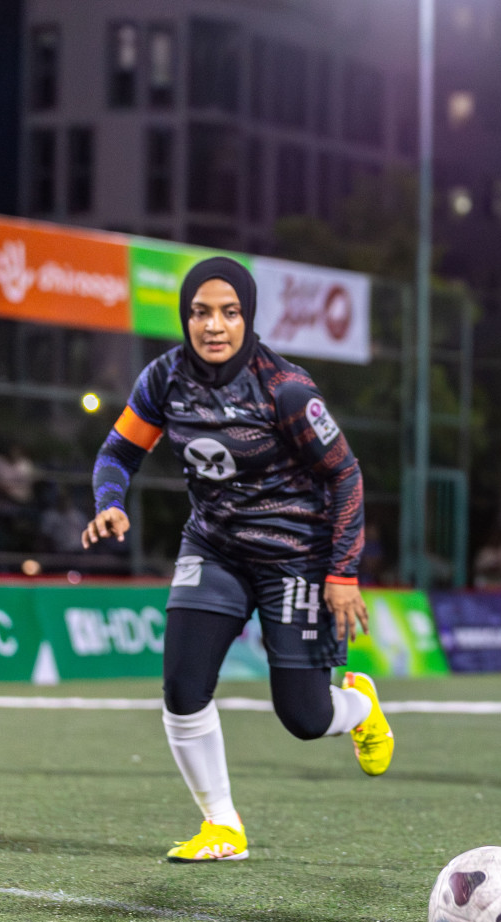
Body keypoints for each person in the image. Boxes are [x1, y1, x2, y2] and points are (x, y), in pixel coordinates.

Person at [82, 257, 392, 863]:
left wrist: (342, 572)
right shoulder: (163, 380)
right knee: (181, 686)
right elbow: (118, 452)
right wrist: (110, 501)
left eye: (229, 312)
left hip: (294, 559)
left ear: (247, 317)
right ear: (185, 317)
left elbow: (346, 476)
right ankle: (222, 825)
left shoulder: (287, 390)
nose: (214, 325)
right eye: (201, 312)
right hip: (213, 548)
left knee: (304, 717)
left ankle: (359, 706)